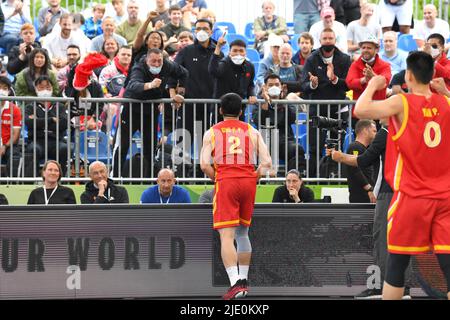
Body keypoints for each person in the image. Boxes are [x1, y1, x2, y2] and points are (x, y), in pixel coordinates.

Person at [354, 51, 450, 300]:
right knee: (448, 268)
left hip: (412, 197)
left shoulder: (402, 102)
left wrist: (374, 84)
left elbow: (361, 109)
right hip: (445, 198)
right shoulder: (446, 103)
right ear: (432, 76)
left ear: (408, 75)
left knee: (396, 267)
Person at [200, 92, 272, 299]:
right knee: (242, 233)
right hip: (248, 180)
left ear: (220, 110)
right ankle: (244, 280)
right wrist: (253, 176)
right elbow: (267, 163)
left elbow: (204, 164)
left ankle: (235, 283)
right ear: (241, 111)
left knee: (226, 235)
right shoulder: (252, 130)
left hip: (226, 180)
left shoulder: (212, 132)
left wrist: (218, 178)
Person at [112, 48, 188, 178]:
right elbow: (133, 85)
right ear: (147, 60)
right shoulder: (139, 67)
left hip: (151, 110)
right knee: (123, 146)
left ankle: (148, 180)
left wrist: (176, 92)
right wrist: (149, 85)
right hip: (132, 109)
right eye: (153, 61)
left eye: (159, 61)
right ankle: (115, 178)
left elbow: (184, 73)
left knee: (150, 148)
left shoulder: (167, 65)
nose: (157, 64)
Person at [300, 28, 351, 176]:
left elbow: (348, 84)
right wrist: (313, 84)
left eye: (330, 38)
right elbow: (303, 85)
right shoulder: (311, 59)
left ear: (335, 40)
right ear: (320, 40)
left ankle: (335, 177)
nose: (328, 41)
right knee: (314, 148)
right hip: (316, 110)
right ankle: (315, 179)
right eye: (325, 38)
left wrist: (334, 79)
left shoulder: (344, 59)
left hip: (338, 110)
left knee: (336, 147)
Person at [174, 18, 222, 147]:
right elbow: (173, 73)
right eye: (198, 29)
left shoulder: (218, 53)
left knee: (206, 146)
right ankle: (180, 168)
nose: (201, 31)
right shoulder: (186, 51)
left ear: (211, 32)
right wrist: (174, 92)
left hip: (209, 107)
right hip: (187, 106)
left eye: (205, 29)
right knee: (181, 146)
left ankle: (202, 167)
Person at [254, 73, 306, 174]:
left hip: (284, 141)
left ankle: (293, 179)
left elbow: (291, 118)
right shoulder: (259, 103)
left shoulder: (286, 102)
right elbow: (259, 121)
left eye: (277, 85)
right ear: (265, 87)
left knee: (297, 149)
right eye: (270, 85)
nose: (274, 87)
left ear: (281, 87)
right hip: (264, 142)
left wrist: (282, 101)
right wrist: (265, 102)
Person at [24, 75, 68, 178]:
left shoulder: (59, 106)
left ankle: (62, 180)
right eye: (41, 87)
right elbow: (29, 123)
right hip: (37, 140)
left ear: (52, 89)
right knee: (33, 149)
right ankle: (32, 181)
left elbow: (63, 124)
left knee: (65, 148)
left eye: (48, 87)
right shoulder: (30, 106)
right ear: (35, 89)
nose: (45, 90)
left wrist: (38, 121)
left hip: (55, 141)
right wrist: (51, 120)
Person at [209, 37, 257, 121]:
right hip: (221, 110)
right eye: (235, 51)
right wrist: (218, 47)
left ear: (245, 53)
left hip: (239, 110)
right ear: (229, 52)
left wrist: (252, 94)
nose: (238, 53)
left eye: (241, 51)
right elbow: (213, 71)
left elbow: (250, 85)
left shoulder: (250, 66)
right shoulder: (224, 64)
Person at [345, 34, 391, 116]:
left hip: (378, 112)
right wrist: (364, 79)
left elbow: (385, 82)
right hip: (359, 112)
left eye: (369, 48)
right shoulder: (355, 65)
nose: (365, 50)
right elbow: (349, 83)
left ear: (377, 49)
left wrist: (372, 76)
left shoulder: (385, 65)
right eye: (363, 47)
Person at [344, 119, 377, 203]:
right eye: (374, 131)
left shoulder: (365, 149)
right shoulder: (355, 147)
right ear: (365, 130)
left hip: (368, 194)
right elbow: (354, 169)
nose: (376, 134)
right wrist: (369, 188)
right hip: (361, 196)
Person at [0, 76, 22, 177]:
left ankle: (13, 183)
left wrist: (4, 146)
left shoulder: (15, 109)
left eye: (5, 88)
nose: (1, 90)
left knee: (15, 156)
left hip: (9, 144)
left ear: (9, 91)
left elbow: (15, 134)